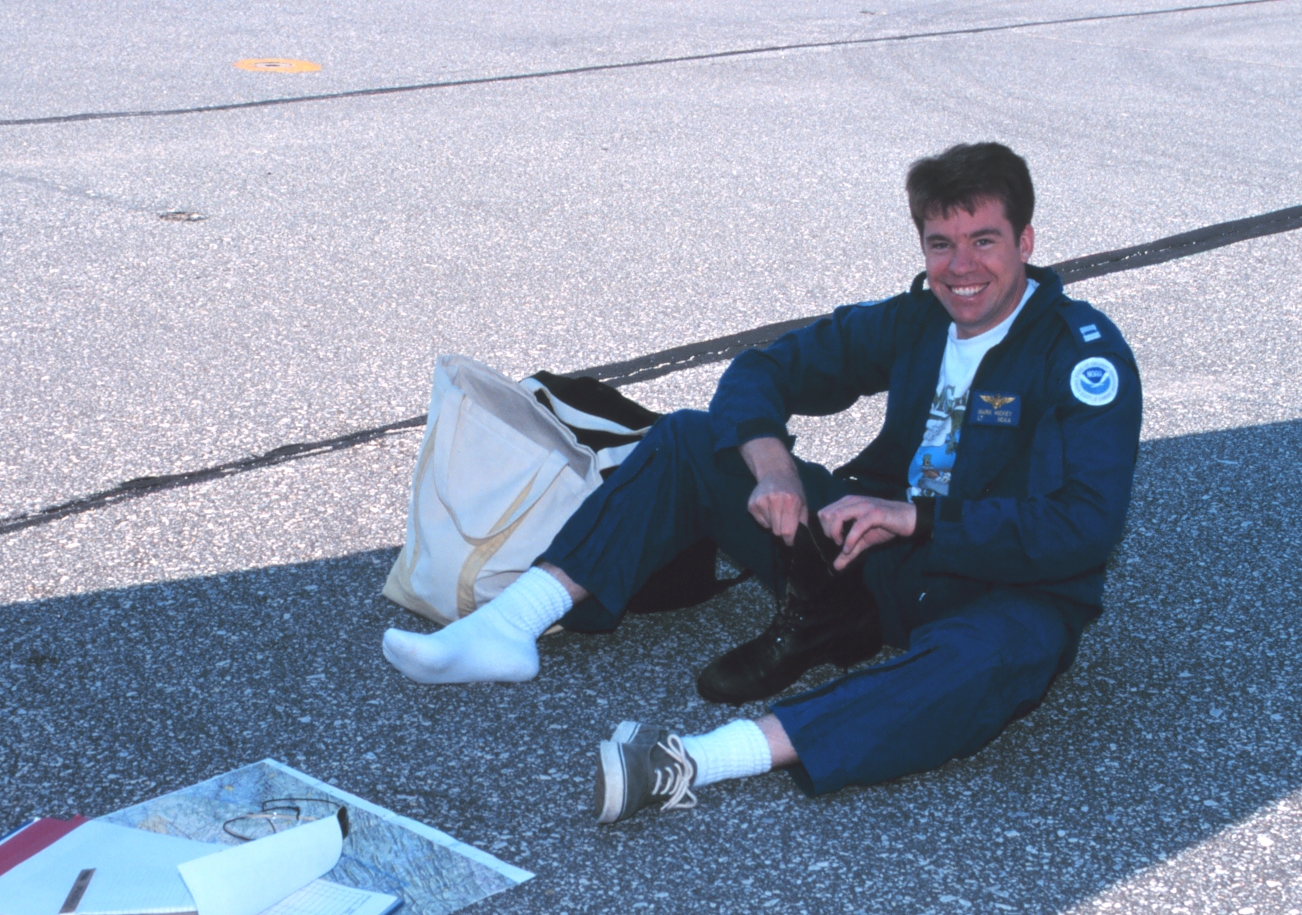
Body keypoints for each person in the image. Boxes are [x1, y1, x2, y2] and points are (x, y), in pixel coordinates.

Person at [382, 142, 1141, 823]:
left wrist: (920, 520)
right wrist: (769, 459)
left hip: (1002, 587)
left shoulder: (1081, 356)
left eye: (984, 241)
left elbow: (1085, 525)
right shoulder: (916, 318)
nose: (961, 267)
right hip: (869, 552)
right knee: (684, 438)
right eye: (940, 244)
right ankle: (510, 627)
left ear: (1027, 242)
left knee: (987, 663)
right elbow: (762, 369)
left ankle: (693, 761)